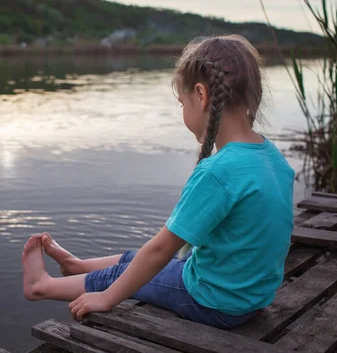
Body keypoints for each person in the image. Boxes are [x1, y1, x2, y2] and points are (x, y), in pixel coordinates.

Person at [21, 35, 295, 329]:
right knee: (138, 259)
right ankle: (77, 267)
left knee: (126, 273)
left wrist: (107, 298)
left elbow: (161, 250)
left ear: (201, 96)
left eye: (182, 103)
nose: (183, 112)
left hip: (215, 302)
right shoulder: (272, 158)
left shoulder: (219, 171)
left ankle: (42, 285)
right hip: (250, 297)